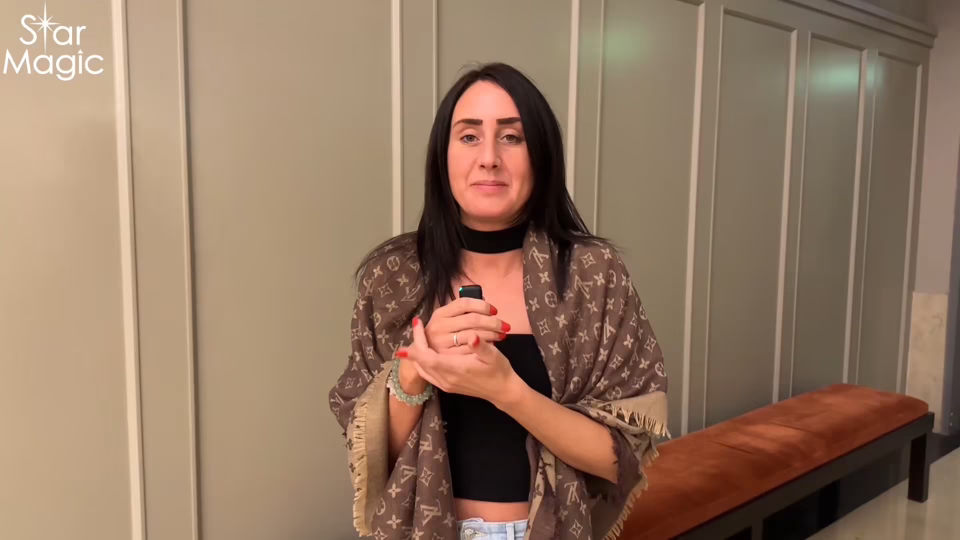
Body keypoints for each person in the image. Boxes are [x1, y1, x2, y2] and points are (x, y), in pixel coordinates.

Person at [329, 62, 668, 540]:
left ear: (541, 155)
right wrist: (413, 374)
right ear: (442, 155)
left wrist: (507, 390)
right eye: (469, 136)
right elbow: (369, 455)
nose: (489, 158)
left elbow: (621, 460)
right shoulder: (394, 276)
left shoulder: (594, 274)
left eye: (511, 137)